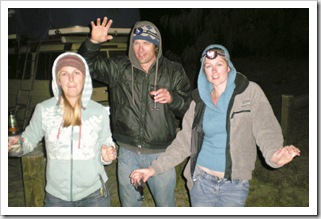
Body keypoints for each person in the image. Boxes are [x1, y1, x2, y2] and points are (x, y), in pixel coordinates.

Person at [130, 44, 301, 207]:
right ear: (203, 71)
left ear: (229, 67)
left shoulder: (249, 93)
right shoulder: (198, 101)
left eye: (219, 64)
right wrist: (153, 169)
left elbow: (266, 128)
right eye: (208, 66)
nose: (214, 70)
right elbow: (184, 142)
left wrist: (274, 156)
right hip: (201, 181)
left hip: (234, 185)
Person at [78, 17, 192, 207]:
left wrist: (173, 99)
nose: (140, 49)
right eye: (136, 43)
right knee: (130, 208)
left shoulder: (173, 71)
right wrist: (93, 43)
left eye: (146, 43)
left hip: (161, 153)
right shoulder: (119, 68)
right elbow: (83, 68)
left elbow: (190, 107)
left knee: (166, 206)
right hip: (128, 152)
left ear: (156, 45)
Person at [8, 52, 117, 207]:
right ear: (58, 80)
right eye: (65, 74)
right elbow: (29, 140)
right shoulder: (43, 109)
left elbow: (107, 142)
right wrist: (11, 146)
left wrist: (107, 155)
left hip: (94, 195)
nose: (71, 79)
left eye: (76, 73)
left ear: (84, 78)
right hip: (56, 197)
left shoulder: (99, 111)